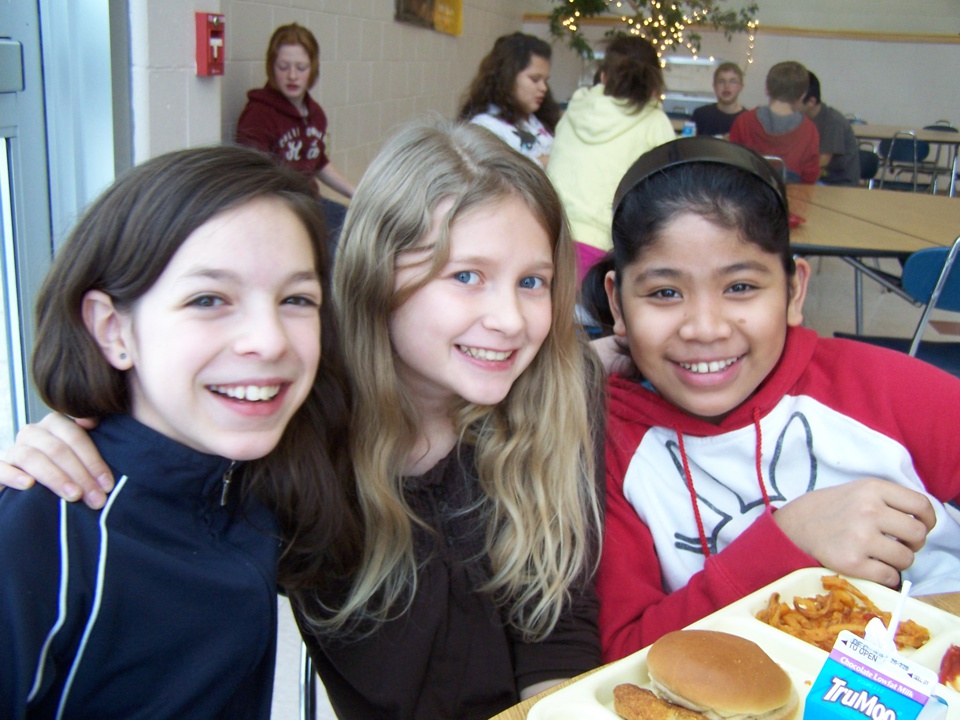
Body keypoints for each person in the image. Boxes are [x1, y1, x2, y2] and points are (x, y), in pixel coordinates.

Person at [0, 120, 605, 720]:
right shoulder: (292, 430)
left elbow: (556, 612)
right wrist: (71, 431)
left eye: (532, 282)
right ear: (375, 274)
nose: (509, 318)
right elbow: (163, 454)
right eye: (465, 275)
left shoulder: (554, 392)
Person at [0, 145, 358, 718]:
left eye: (296, 299)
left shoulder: (262, 477)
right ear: (112, 328)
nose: (268, 340)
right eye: (209, 299)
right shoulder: (40, 539)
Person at [588, 136, 959, 662]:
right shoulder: (610, 449)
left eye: (740, 287)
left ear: (794, 291)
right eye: (665, 293)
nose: (705, 328)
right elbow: (623, 656)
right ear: (617, 305)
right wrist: (787, 541)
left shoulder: (878, 388)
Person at [547, 35, 675, 280]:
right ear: (654, 84)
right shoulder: (655, 123)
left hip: (550, 237)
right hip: (604, 251)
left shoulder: (576, 109)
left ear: (603, 76)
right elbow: (667, 194)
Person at [236, 22, 356, 246]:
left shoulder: (316, 114)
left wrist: (357, 194)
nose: (292, 75)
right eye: (284, 67)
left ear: (313, 69)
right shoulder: (258, 114)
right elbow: (251, 177)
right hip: (279, 210)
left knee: (357, 229)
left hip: (310, 204)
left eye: (301, 68)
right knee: (327, 250)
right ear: (272, 67)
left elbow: (318, 162)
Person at [458, 32, 560, 167]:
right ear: (508, 77)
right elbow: (489, 177)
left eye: (545, 81)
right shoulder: (485, 126)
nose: (543, 88)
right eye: (535, 79)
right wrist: (546, 161)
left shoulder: (536, 119)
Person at [729, 60, 820, 183]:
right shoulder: (810, 130)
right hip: (793, 198)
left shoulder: (744, 121)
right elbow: (810, 176)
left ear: (767, 89)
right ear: (802, 95)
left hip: (750, 195)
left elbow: (732, 165)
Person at [800, 70, 861, 186]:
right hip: (824, 180)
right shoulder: (804, 120)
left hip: (838, 183)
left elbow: (822, 163)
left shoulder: (832, 121)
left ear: (811, 102)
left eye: (795, 101)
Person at [691, 61, 746, 137]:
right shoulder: (700, 115)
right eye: (721, 81)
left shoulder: (747, 120)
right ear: (714, 86)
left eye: (733, 81)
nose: (727, 86)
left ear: (741, 86)